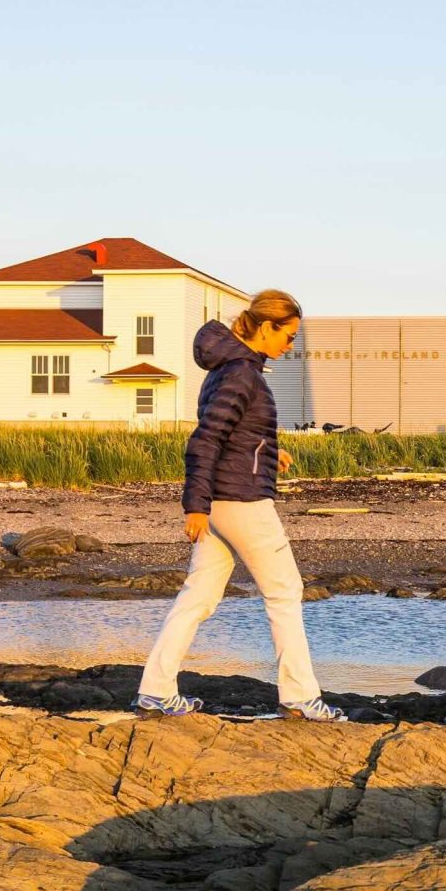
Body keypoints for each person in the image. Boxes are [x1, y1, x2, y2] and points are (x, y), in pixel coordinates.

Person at [136, 289, 344, 722]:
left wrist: (270, 451)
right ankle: (302, 698)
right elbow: (206, 439)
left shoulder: (230, 370)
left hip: (223, 499)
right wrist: (193, 506)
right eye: (288, 337)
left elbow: (236, 433)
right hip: (241, 501)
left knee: (199, 597)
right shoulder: (242, 374)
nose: (291, 347)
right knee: (285, 591)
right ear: (266, 327)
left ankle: (156, 692)